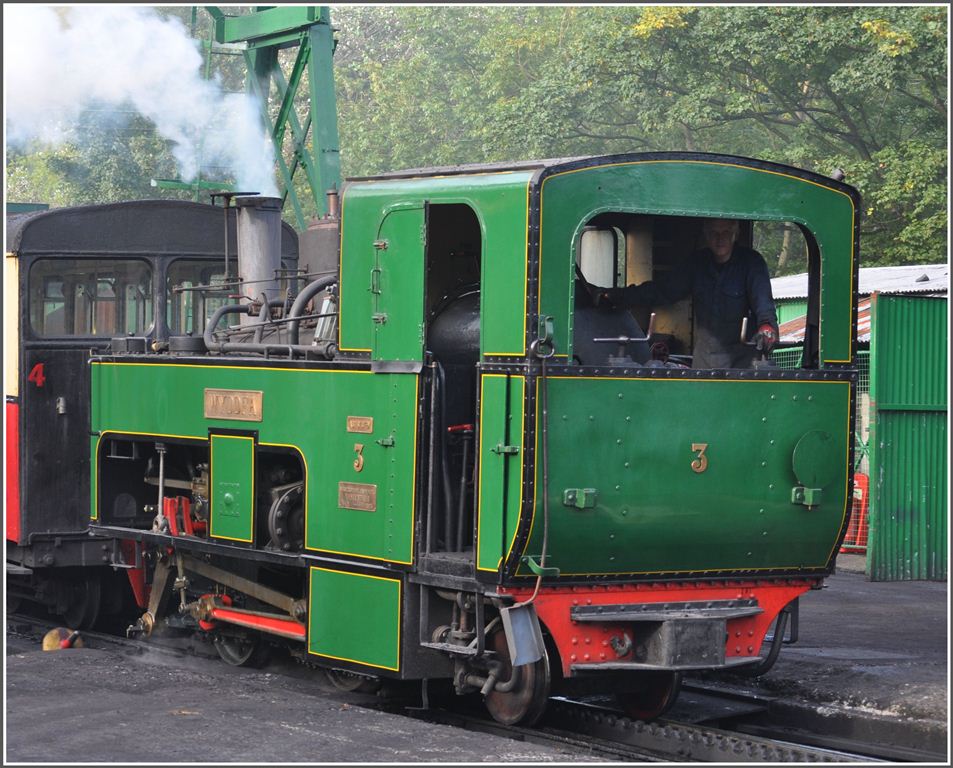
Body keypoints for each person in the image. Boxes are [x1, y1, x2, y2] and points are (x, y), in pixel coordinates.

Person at [592, 218, 779, 369]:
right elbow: (662, 291)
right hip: (705, 359)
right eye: (714, 233)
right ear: (706, 234)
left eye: (725, 232)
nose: (719, 238)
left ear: (735, 234)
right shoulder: (697, 264)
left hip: (742, 361)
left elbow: (763, 304)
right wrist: (617, 296)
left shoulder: (752, 263)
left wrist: (767, 327)